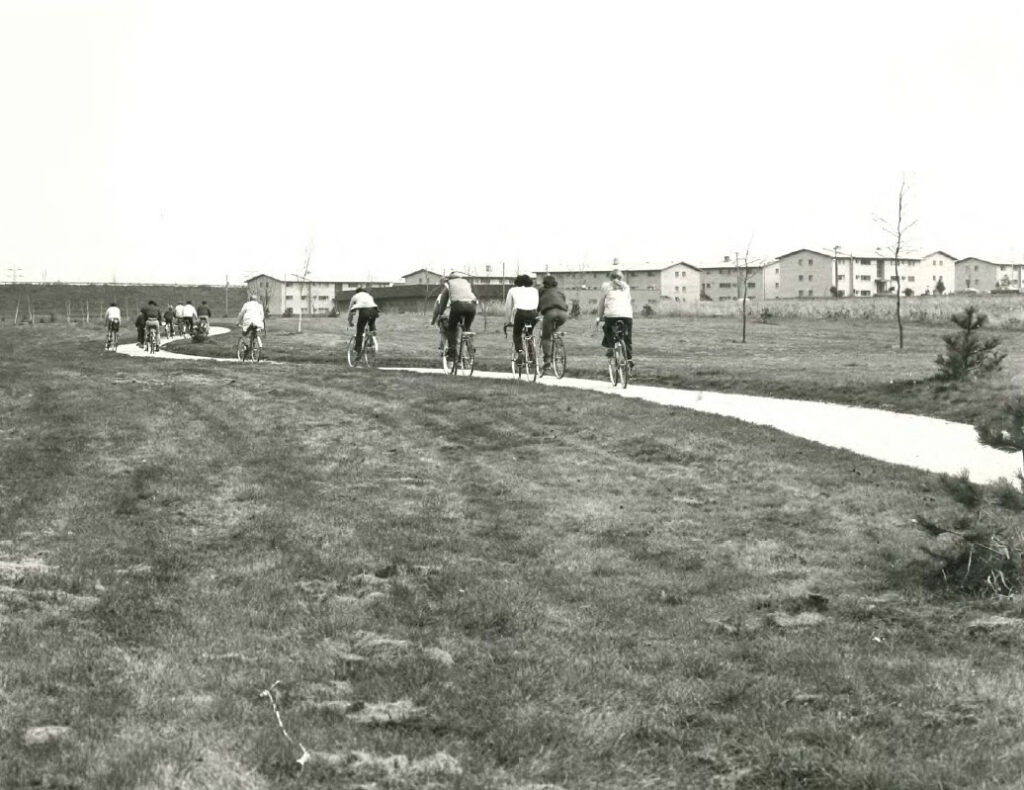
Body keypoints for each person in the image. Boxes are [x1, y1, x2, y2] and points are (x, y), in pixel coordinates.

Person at [430, 272, 477, 363]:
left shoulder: (449, 286)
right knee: (467, 329)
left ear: (450, 279)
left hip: (458, 307)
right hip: (472, 307)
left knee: (452, 329)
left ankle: (452, 354)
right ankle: (471, 350)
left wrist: (440, 314)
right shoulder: (466, 284)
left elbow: (442, 304)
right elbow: (474, 299)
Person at [596, 268, 633, 366]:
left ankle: (611, 348)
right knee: (627, 337)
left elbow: (601, 303)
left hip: (611, 315)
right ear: (621, 277)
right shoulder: (627, 287)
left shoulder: (606, 286)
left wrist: (599, 317)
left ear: (610, 277)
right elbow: (628, 301)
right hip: (627, 315)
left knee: (606, 328)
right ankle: (629, 360)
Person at [504, 274, 540, 365]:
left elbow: (508, 307)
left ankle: (520, 352)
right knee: (529, 333)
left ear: (517, 282)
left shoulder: (512, 290)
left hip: (521, 313)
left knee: (517, 334)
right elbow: (537, 304)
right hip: (533, 313)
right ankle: (532, 357)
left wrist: (507, 321)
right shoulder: (534, 290)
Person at [538, 275, 569, 374]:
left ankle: (547, 360)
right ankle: (557, 345)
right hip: (563, 314)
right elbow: (564, 302)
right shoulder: (559, 291)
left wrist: (537, 313)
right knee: (555, 330)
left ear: (544, 283)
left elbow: (538, 305)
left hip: (550, 313)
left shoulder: (542, 291)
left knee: (546, 337)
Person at [347, 286, 380, 360]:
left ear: (357, 292)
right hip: (375, 311)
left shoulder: (355, 297)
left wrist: (350, 322)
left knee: (359, 330)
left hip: (364, 312)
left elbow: (351, 311)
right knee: (371, 323)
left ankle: (358, 350)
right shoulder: (369, 296)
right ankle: (372, 334)